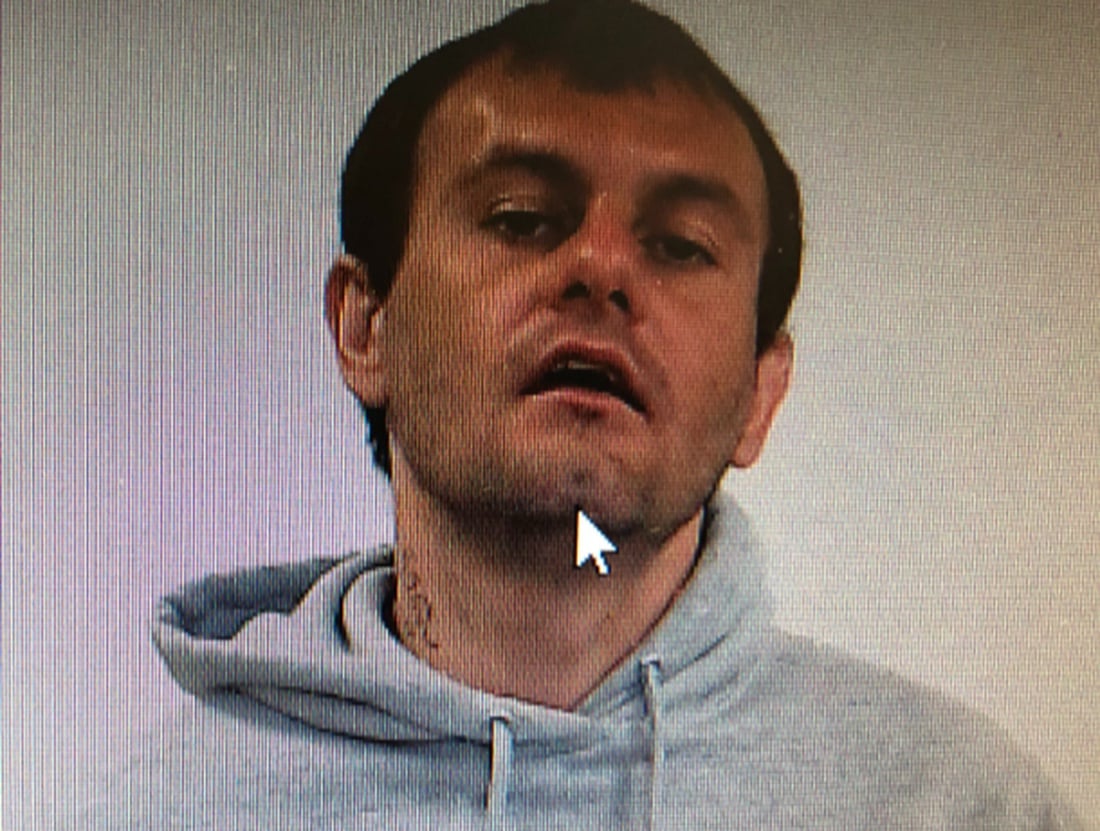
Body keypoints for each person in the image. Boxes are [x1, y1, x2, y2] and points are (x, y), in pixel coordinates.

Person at [91, 1, 1082, 828]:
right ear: (366, 326)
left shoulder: (959, 808)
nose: (601, 268)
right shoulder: (166, 812)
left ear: (758, 392)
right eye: (522, 218)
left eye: (681, 244)